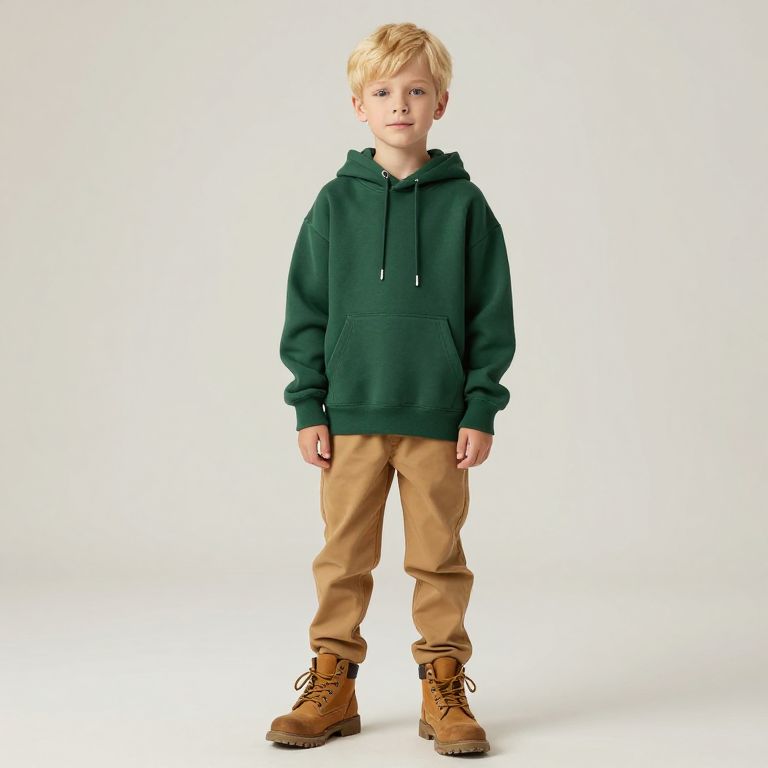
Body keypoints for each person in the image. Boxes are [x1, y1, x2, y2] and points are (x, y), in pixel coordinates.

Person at [267, 21, 516, 756]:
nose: (399, 105)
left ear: (442, 102)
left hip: (439, 417)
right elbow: (306, 310)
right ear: (358, 106)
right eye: (382, 92)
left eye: (415, 90)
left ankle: (444, 686)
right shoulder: (333, 204)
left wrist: (481, 406)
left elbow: (491, 315)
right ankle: (332, 683)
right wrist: (308, 404)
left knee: (438, 559)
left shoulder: (466, 206)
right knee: (343, 557)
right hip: (349, 417)